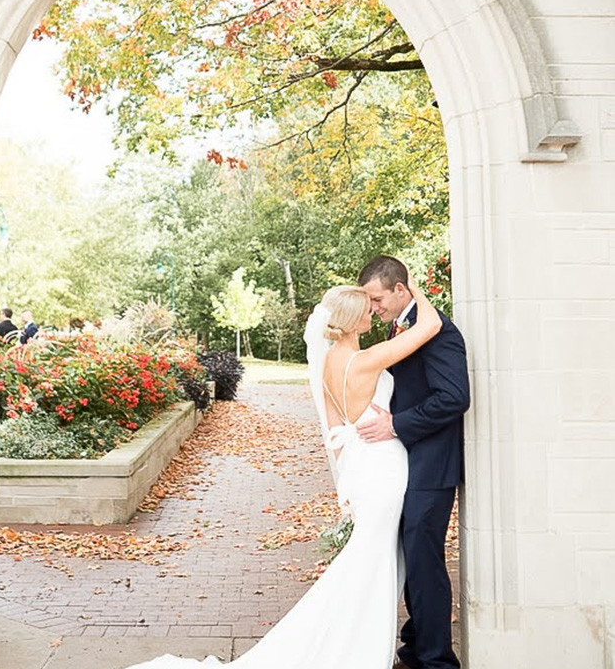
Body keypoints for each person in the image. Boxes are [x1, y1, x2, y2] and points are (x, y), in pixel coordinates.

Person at [120, 275, 442, 669]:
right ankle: (354, 651)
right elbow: (431, 325)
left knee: (370, 561)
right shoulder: (365, 360)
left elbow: (335, 434)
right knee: (373, 564)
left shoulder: (329, 364)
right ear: (352, 321)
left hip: (362, 469)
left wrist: (347, 483)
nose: (373, 313)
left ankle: (352, 646)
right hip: (382, 467)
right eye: (367, 309)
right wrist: (413, 286)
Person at [357, 255, 470, 669]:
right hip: (409, 464)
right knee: (413, 560)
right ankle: (415, 648)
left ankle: (437, 661)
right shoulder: (403, 325)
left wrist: (396, 425)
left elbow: (454, 397)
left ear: (401, 289)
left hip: (432, 466)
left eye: (377, 299)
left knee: (425, 565)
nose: (373, 308)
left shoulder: (437, 331)